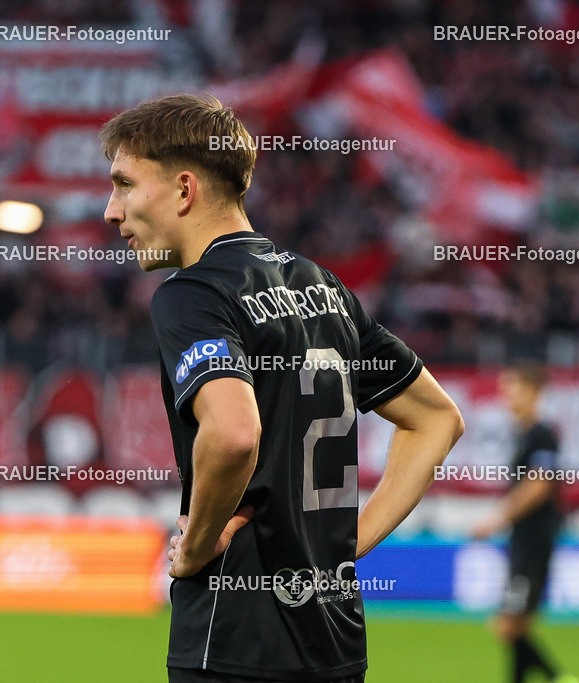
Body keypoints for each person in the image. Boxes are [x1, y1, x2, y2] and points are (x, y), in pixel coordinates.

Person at [101, 93, 464, 682]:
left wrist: (194, 546)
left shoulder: (192, 294)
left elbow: (234, 433)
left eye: (124, 185)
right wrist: (349, 542)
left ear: (185, 190)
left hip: (237, 636)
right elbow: (437, 419)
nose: (111, 211)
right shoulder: (324, 288)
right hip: (334, 637)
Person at [471, 364, 579, 683]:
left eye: (514, 388)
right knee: (516, 626)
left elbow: (540, 485)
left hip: (535, 543)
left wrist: (497, 518)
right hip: (523, 541)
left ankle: (559, 678)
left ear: (534, 392)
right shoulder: (524, 435)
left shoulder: (543, 435)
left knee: (507, 624)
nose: (507, 395)